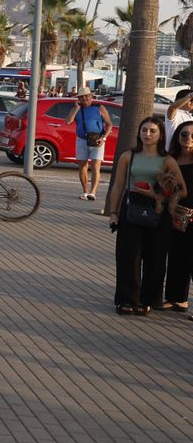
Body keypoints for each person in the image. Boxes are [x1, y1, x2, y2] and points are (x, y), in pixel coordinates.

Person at [104, 116, 185, 315]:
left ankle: (147, 300)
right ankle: (126, 299)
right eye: (144, 130)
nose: (147, 134)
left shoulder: (167, 160)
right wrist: (113, 213)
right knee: (128, 256)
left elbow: (181, 190)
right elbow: (118, 185)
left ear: (160, 135)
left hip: (158, 210)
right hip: (132, 206)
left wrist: (157, 195)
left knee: (155, 257)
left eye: (152, 131)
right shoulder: (128, 156)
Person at [165, 121, 193, 312]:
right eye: (184, 134)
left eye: (192, 135)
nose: (188, 138)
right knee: (176, 256)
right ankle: (176, 298)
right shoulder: (171, 159)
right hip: (175, 214)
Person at [65, 90, 111, 200]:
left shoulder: (99, 107)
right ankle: (85, 191)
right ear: (78, 99)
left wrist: (103, 138)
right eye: (81, 97)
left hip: (97, 139)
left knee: (95, 166)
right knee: (82, 165)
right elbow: (68, 121)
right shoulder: (76, 108)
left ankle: (93, 192)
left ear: (91, 96)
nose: (84, 99)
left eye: (86, 96)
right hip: (82, 140)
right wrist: (76, 108)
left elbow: (109, 125)